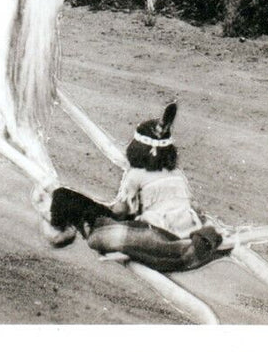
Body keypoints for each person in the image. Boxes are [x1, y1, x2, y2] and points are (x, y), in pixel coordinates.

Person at [47, 102, 224, 272]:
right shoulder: (177, 173)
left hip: (157, 230)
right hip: (185, 229)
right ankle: (76, 226)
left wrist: (101, 211)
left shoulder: (136, 174)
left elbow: (119, 211)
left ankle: (63, 228)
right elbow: (193, 206)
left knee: (63, 196)